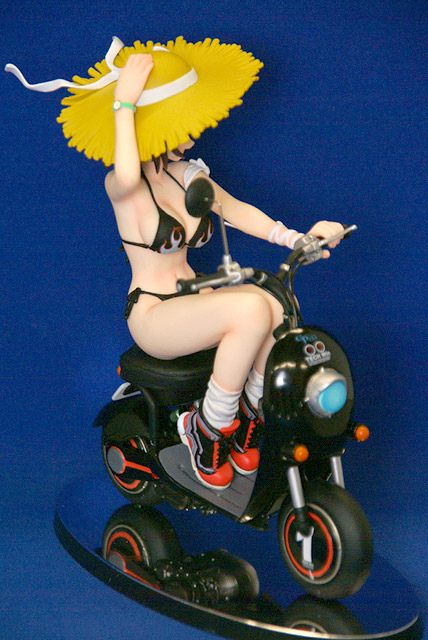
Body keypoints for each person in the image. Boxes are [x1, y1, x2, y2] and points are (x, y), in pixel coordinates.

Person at [6, 37, 343, 491]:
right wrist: (124, 103)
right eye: (176, 124)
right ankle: (207, 430)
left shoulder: (185, 176)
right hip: (155, 314)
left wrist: (299, 239)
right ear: (150, 124)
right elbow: (129, 171)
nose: (190, 136)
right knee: (250, 309)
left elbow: (237, 210)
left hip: (194, 299)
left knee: (276, 303)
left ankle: (249, 417)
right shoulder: (123, 187)